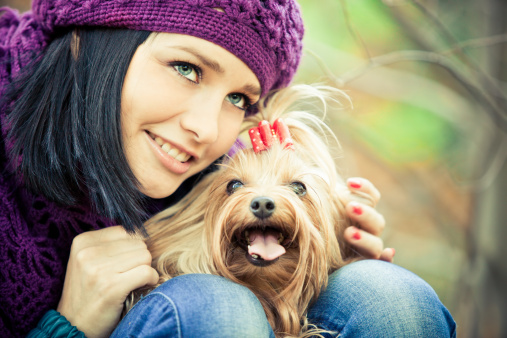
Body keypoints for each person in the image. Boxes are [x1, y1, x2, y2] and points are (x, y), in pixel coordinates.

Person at [0, 0, 455, 337]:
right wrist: (69, 327)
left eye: (238, 99)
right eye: (186, 68)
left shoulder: (218, 165)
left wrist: (326, 246)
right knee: (215, 306)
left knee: (389, 296)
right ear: (86, 39)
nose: (205, 129)